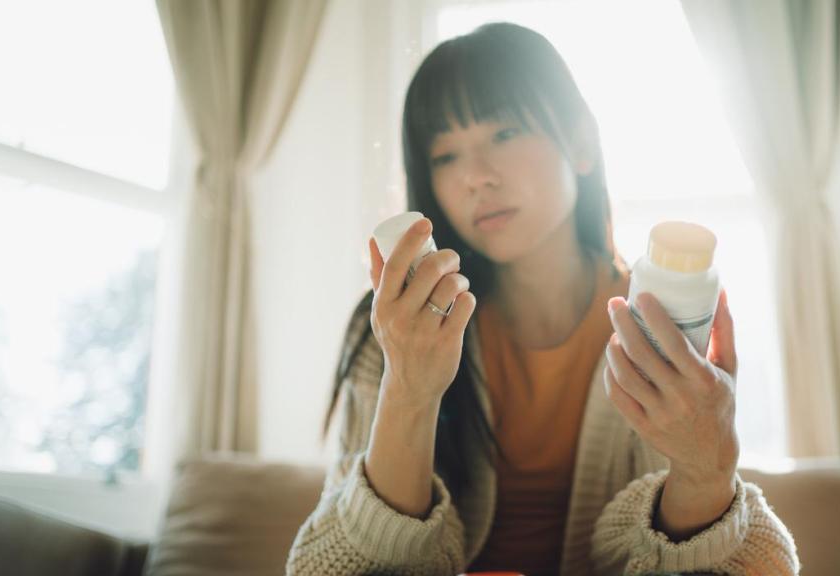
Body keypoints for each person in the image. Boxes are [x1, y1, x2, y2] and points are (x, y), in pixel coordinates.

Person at [286, 22, 798, 576]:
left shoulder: (662, 323)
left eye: (504, 134)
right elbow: (332, 568)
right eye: (444, 156)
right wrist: (408, 387)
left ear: (579, 142)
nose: (476, 178)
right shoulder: (397, 327)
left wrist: (708, 471)